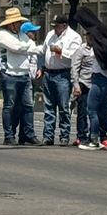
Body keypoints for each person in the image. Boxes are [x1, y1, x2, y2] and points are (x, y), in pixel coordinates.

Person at [74, 8, 107, 150]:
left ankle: (93, 140)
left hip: (98, 80)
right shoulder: (106, 40)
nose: (88, 37)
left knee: (92, 110)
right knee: (102, 112)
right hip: (106, 80)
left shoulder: (98, 42)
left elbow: (100, 44)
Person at [0, 7, 40, 146]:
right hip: (9, 74)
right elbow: (17, 47)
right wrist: (27, 46)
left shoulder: (22, 34)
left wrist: (28, 46)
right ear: (10, 23)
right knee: (10, 106)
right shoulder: (2, 35)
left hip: (24, 74)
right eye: (17, 22)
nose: (19, 25)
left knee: (27, 106)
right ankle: (9, 135)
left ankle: (28, 134)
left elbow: (32, 48)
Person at [41, 13, 79, 146]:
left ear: (64, 25)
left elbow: (75, 56)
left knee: (63, 107)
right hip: (48, 73)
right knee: (48, 106)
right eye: (54, 26)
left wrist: (60, 51)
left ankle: (64, 135)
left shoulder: (73, 37)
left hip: (63, 74)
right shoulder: (50, 34)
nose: (55, 28)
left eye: (57, 26)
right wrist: (42, 67)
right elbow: (44, 50)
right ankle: (48, 136)